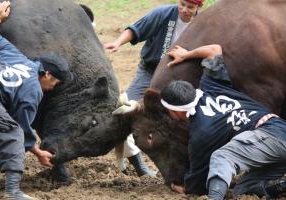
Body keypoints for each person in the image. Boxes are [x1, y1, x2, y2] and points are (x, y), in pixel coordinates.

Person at [160, 44, 286, 199]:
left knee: (222, 157)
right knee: (244, 190)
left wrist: (181, 187)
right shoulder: (212, 85)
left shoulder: (200, 132)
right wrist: (186, 55)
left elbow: (196, 184)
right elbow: (214, 49)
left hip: (269, 135)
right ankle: (281, 185)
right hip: (277, 134)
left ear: (176, 111)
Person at [106, 0, 204, 177]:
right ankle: (137, 162)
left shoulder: (203, 23)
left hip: (179, 79)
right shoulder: (163, 14)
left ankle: (187, 165)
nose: (184, 10)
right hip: (150, 71)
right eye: (182, 4)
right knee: (126, 111)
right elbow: (136, 29)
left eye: (190, 7)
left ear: (199, 7)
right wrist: (118, 42)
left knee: (185, 120)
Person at [0, 1, 73, 199]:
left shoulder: (13, 54)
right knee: (13, 133)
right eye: (57, 83)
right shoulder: (33, 91)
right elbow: (22, 130)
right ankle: (13, 191)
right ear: (48, 74)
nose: (54, 88)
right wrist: (39, 153)